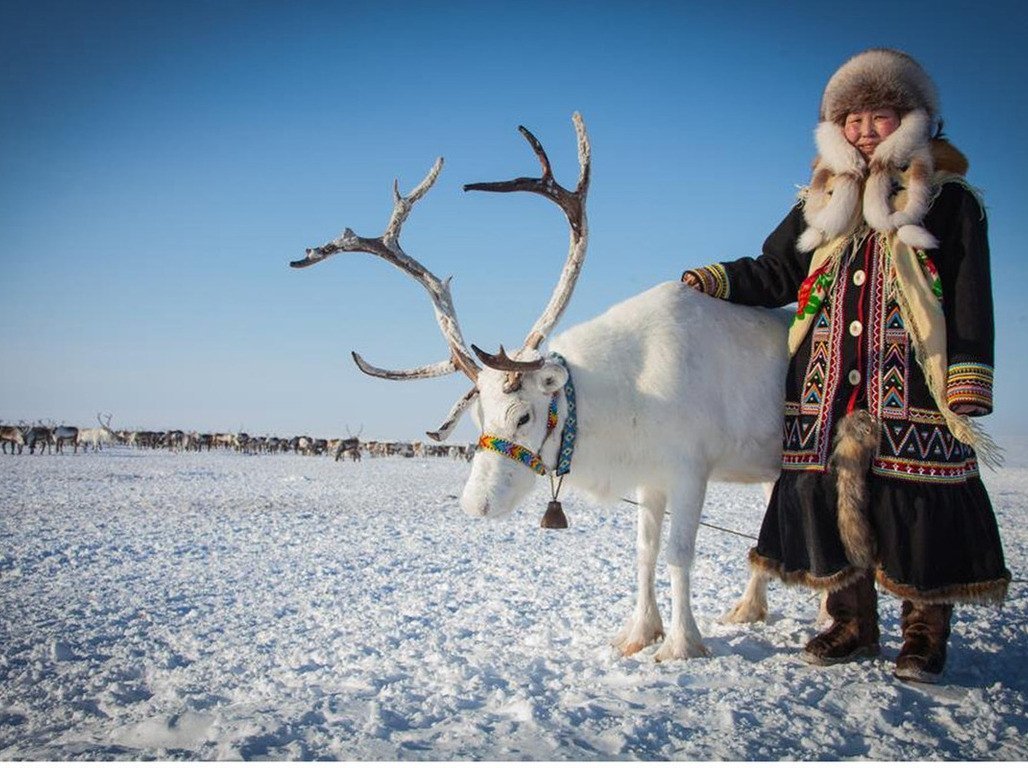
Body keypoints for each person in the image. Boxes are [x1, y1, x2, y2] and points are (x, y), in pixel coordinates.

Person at [682, 48, 1010, 684]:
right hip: (824, 380)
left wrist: (969, 375)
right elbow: (778, 269)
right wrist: (716, 279)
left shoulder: (947, 199)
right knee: (829, 496)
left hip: (912, 378)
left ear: (912, 120)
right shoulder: (823, 197)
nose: (863, 130)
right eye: (851, 119)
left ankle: (924, 633)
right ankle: (850, 622)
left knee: (917, 500)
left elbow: (971, 290)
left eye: (877, 116)